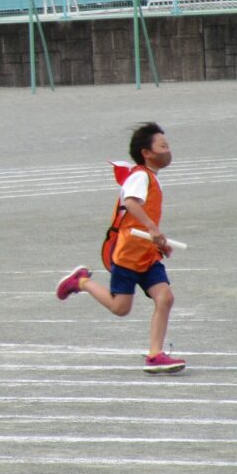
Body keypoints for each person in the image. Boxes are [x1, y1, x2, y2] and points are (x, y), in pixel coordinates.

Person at [56, 122, 185, 374]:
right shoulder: (140, 176)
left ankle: (155, 355)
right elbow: (131, 203)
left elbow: (142, 219)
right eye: (162, 146)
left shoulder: (151, 177)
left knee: (165, 297)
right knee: (120, 308)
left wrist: (158, 241)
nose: (168, 150)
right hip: (127, 254)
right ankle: (81, 282)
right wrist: (152, 228)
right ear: (147, 153)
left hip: (147, 254)